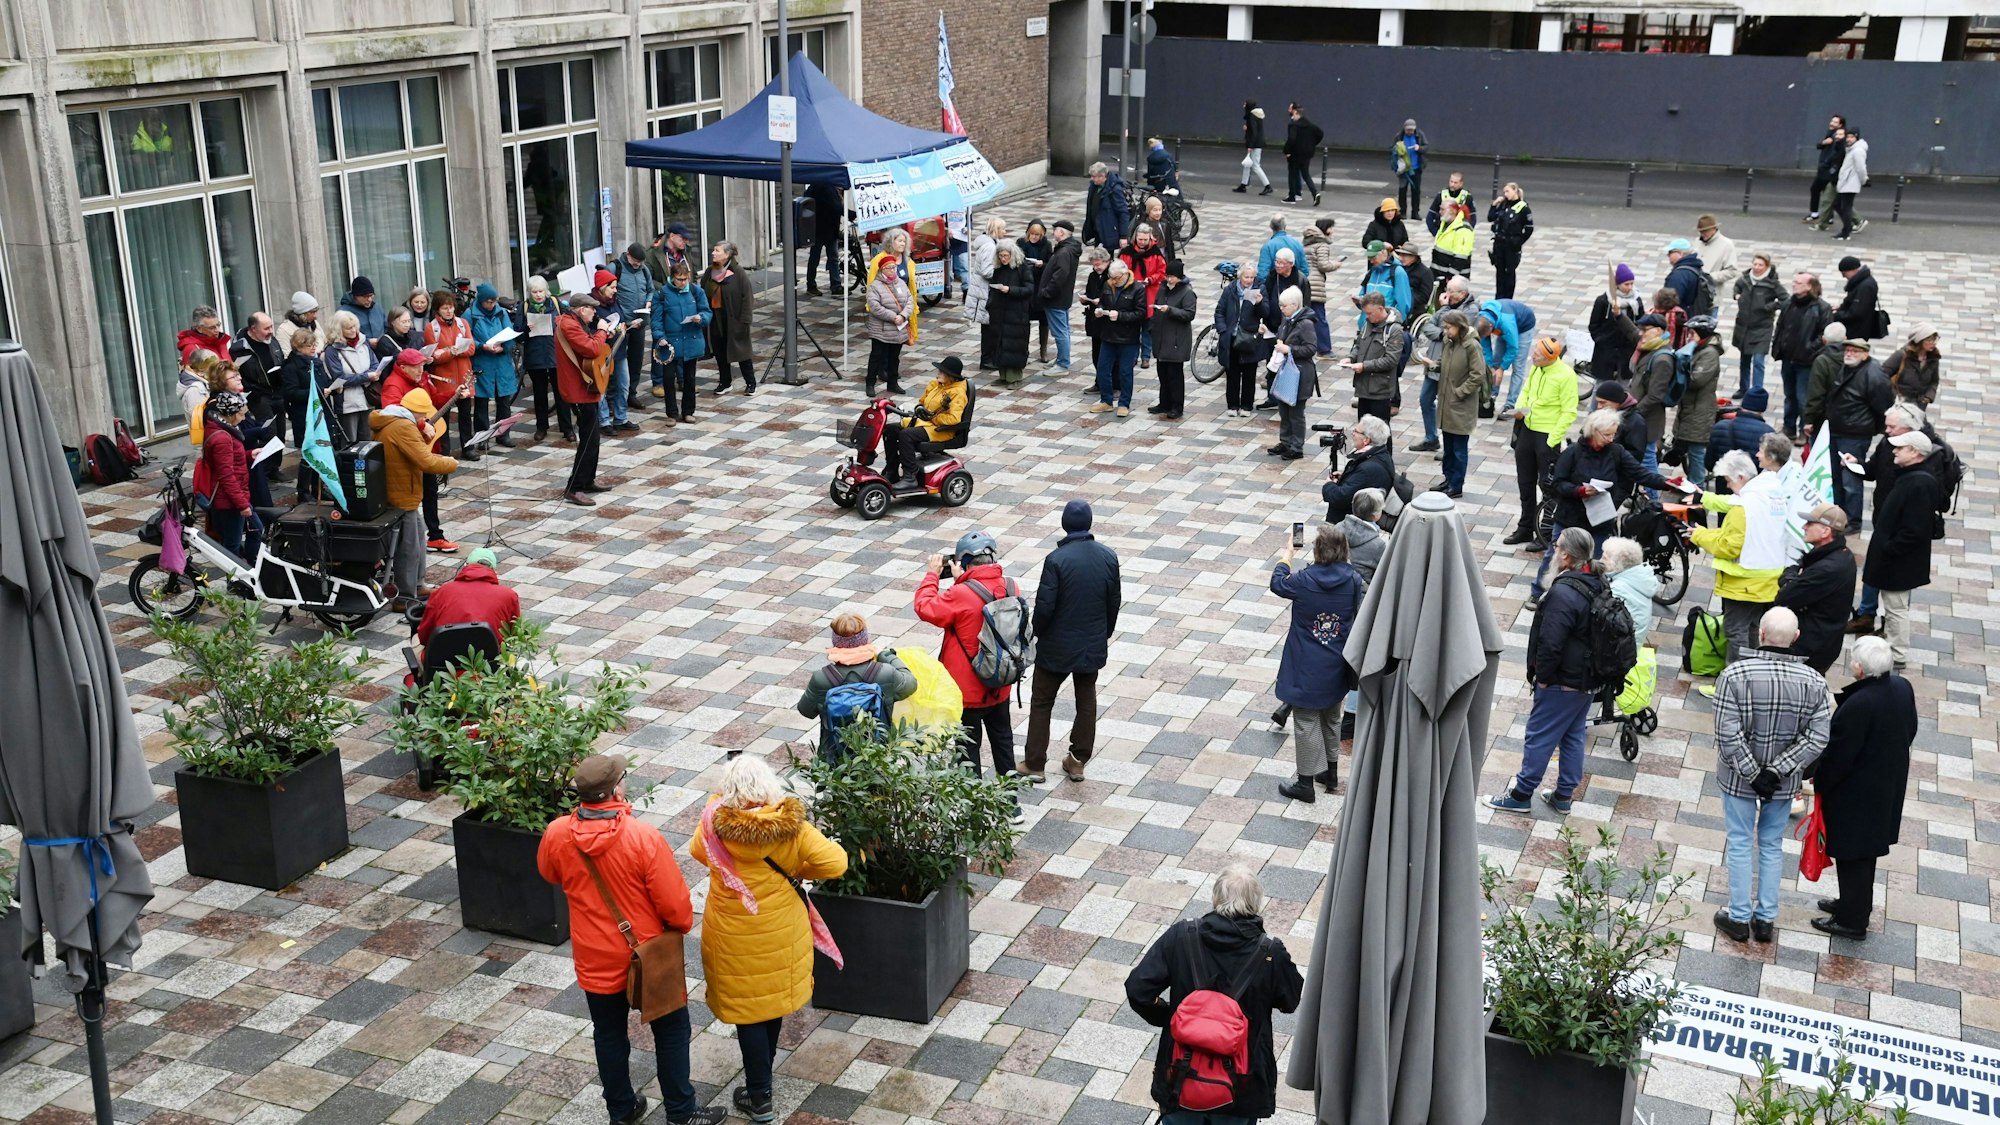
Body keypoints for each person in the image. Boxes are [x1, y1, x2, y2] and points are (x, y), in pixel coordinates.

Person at [536, 754, 722, 1125]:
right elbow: (676, 908)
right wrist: (680, 925)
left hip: (594, 958)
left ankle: (621, 1111)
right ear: (616, 789)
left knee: (608, 1033)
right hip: (648, 955)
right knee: (671, 1031)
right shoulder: (642, 838)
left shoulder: (557, 833)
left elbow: (548, 873)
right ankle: (681, 1113)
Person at [688, 754, 845, 1125]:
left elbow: (698, 852)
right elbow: (836, 863)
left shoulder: (712, 822)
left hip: (731, 934)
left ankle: (760, 1095)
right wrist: (795, 870)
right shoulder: (792, 827)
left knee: (749, 1011)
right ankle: (761, 1089)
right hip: (780, 932)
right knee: (769, 1004)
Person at [1127, 865, 1303, 1124]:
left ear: (1215, 899)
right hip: (1241, 1085)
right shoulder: (1270, 953)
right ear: (1256, 905)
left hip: (1181, 1076)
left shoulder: (1181, 936)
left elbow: (1138, 989)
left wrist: (1171, 1017)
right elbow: (1290, 1002)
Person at [1710, 607, 1830, 944]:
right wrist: (1776, 772)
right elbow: (1817, 737)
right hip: (1784, 783)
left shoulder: (1734, 676)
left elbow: (1727, 734)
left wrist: (1755, 772)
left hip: (1737, 779)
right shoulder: (1814, 682)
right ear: (1796, 638)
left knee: (1739, 843)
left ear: (1760, 634)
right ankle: (1765, 919)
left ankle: (1737, 917)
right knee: (1772, 845)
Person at [1492, 527, 1605, 814]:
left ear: (1566, 556)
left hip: (1562, 681)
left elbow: (1551, 642)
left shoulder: (1563, 592)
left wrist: (1542, 678)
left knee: (1540, 735)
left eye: (1557, 547)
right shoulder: (1597, 581)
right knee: (1573, 734)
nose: (1553, 551)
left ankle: (1521, 794)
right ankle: (1563, 796)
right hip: (1587, 679)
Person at [1809, 635, 1915, 940]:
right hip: (1886, 786)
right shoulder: (1901, 687)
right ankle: (1852, 904)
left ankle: (1852, 920)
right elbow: (1911, 729)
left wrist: (1820, 784)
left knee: (1853, 854)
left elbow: (1838, 757)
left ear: (1859, 668)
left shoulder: (1859, 704)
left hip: (1857, 794)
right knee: (1863, 854)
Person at [1530, 410, 1686, 608]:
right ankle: (1538, 592)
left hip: (1599, 520)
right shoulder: (1573, 453)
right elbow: (1557, 484)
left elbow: (1640, 473)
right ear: (1593, 431)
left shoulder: (1616, 452)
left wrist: (1667, 483)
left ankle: (1584, 599)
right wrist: (1579, 490)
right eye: (1607, 435)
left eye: (1614, 434)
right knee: (1555, 557)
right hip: (1571, 518)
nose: (1611, 438)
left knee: (1595, 562)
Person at [916, 531, 1022, 812]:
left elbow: (925, 607)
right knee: (1003, 743)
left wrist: (932, 576)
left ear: (962, 561)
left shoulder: (960, 593)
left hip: (967, 692)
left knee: (968, 749)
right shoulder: (1011, 586)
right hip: (1000, 684)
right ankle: (1011, 806)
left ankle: (971, 808)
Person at [1025, 501, 1120, 784]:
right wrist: (1104, 634)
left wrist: (1035, 632)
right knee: (1086, 700)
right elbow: (1113, 602)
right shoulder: (1108, 556)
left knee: (1042, 701)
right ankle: (1077, 761)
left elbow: (1045, 607)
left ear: (1065, 524)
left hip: (1055, 646)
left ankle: (1035, 763)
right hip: (1091, 643)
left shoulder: (1057, 560)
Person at [1270, 524, 1363, 802]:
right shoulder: (1354, 580)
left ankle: (1305, 784)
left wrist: (1288, 553)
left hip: (1306, 664)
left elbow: (1277, 583)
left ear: (1318, 550)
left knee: (1306, 721)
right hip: (1337, 663)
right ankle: (1330, 772)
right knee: (1332, 718)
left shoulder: (1304, 580)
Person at [1688, 450, 1788, 666]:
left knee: (1736, 631)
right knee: (1752, 628)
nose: (1727, 485)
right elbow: (1740, 530)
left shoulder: (1743, 507)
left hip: (1744, 581)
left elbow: (1729, 546)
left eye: (1728, 481)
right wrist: (1704, 500)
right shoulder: (1768, 491)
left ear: (1741, 477)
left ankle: (1734, 682)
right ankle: (1750, 675)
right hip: (1766, 578)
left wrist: (1699, 535)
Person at [369, 388, 459, 607]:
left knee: (418, 538)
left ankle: (417, 586)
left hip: (402, 492)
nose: (426, 419)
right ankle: (404, 597)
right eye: (424, 415)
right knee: (408, 549)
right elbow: (425, 461)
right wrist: (451, 463)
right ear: (417, 413)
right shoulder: (403, 427)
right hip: (401, 495)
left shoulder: (394, 418)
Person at [1864, 430, 1940, 670]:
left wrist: (1888, 549)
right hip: (1895, 558)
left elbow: (1914, 530)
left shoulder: (1919, 482)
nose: (1894, 450)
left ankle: (1897, 653)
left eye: (1900, 447)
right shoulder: (1911, 477)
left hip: (1898, 561)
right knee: (1894, 605)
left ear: (1915, 453)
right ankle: (1894, 646)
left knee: (1896, 608)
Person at [380, 346, 468, 549]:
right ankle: (404, 540)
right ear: (403, 367)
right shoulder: (393, 385)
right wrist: (421, 424)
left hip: (425, 444)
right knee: (411, 493)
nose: (421, 370)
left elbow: (433, 402)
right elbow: (393, 413)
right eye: (416, 367)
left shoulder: (422, 379)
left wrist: (452, 395)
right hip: (406, 447)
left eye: (422, 365)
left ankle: (435, 535)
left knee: (430, 489)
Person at [1806, 331, 1890, 527]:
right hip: (1837, 430)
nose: (1849, 353)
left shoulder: (1873, 374)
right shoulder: (1848, 367)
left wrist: (1869, 428)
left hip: (1854, 435)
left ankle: (1852, 520)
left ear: (1865, 354)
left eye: (1855, 351)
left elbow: (1883, 408)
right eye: (1848, 350)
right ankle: (1838, 515)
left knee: (1850, 479)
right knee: (1835, 477)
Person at [796, 611, 918, 734]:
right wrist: (885, 655)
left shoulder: (822, 678)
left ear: (835, 641)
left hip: (836, 749)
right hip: (879, 749)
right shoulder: (885, 673)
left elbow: (806, 711)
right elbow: (911, 684)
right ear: (865, 639)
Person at [1506, 336, 1575, 547]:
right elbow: (1526, 391)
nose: (1533, 357)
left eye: (1537, 355)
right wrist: (1519, 409)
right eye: (1534, 352)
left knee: (1548, 486)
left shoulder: (1566, 376)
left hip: (1547, 436)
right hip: (1527, 430)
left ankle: (1544, 532)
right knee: (1524, 483)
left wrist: (1552, 440)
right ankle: (1525, 527)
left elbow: (1569, 412)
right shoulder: (1537, 368)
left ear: (1550, 358)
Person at [1773, 505, 1855, 675]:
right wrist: (1795, 575)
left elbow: (1785, 596)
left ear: (1826, 531)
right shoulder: (1839, 554)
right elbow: (1796, 571)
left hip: (1811, 648)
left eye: (1810, 524)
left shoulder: (1826, 568)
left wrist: (1790, 577)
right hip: (1823, 642)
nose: (1804, 527)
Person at [555, 293, 609, 507]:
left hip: (585, 387)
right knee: (588, 440)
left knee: (593, 438)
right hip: (579, 389)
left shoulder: (574, 322)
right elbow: (592, 348)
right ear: (580, 309)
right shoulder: (570, 325)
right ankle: (574, 487)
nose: (595, 312)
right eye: (591, 308)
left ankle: (587, 480)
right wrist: (603, 331)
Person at [417, 546, 522, 649]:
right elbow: (515, 636)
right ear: (494, 572)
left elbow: (424, 636)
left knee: (415, 641)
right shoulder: (509, 596)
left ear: (465, 566)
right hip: (489, 664)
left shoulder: (443, 591)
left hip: (442, 663)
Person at [886, 357, 970, 485]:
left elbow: (954, 419)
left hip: (941, 430)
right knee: (889, 429)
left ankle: (910, 476)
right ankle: (892, 470)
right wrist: (920, 409)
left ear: (951, 376)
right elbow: (922, 402)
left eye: (941, 372)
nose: (938, 374)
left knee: (906, 435)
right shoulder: (936, 385)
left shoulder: (957, 393)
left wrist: (933, 418)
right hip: (925, 423)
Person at [1430, 308, 1485, 499]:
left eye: (1448, 328)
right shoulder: (1449, 342)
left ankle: (1457, 484)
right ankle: (1448, 479)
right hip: (1447, 404)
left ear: (1459, 327)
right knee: (1449, 447)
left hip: (1460, 406)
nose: (1445, 331)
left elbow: (1477, 375)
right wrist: (1434, 365)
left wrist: (1460, 392)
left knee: (1459, 449)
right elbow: (1444, 362)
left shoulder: (1472, 346)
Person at [1770, 271, 1831, 437]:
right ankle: (1788, 427)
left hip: (1807, 361)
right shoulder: (1790, 303)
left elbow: (1824, 335)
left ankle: (1804, 430)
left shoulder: (1822, 308)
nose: (1793, 284)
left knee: (1803, 398)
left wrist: (1810, 348)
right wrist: (1778, 344)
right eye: (1794, 281)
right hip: (1788, 358)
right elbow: (1781, 326)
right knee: (1789, 395)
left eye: (1798, 282)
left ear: (1809, 286)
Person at [651, 261, 711, 424]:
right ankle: (671, 413)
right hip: (670, 343)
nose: (683, 282)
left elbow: (707, 311)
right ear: (672, 278)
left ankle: (688, 411)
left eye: (685, 279)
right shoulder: (661, 294)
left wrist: (702, 318)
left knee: (689, 378)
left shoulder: (696, 291)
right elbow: (656, 320)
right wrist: (660, 337)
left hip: (691, 341)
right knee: (669, 379)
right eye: (679, 279)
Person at [198, 391, 254, 561]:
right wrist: (242, 505)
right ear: (231, 414)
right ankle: (237, 582)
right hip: (228, 501)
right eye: (242, 414)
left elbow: (227, 460)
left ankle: (249, 573)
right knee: (232, 546)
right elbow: (226, 475)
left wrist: (249, 455)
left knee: (252, 531)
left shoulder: (220, 427)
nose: (244, 418)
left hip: (231, 498)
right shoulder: (223, 437)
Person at [1089, 261, 1145, 418]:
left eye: (1116, 278)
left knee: (1125, 371)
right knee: (1103, 368)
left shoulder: (1138, 289)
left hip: (1128, 338)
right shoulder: (1108, 285)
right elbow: (1102, 301)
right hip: (1108, 335)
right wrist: (1100, 309)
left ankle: (1124, 403)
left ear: (1125, 274)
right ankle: (1106, 401)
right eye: (1111, 277)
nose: (1113, 281)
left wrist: (1120, 316)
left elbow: (1140, 314)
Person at [466, 283, 519, 448]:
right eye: (488, 302)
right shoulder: (470, 315)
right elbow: (466, 339)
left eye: (493, 301)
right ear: (481, 301)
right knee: (481, 403)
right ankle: (482, 437)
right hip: (483, 363)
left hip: (502, 363)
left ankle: (503, 434)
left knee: (504, 401)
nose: (491, 305)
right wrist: (482, 346)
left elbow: (510, 335)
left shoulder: (501, 313)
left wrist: (505, 347)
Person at [321, 311, 386, 443]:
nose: (353, 330)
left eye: (354, 326)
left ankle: (367, 465)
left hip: (367, 400)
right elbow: (340, 378)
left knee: (369, 442)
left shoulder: (363, 342)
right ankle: (353, 465)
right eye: (348, 328)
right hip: (347, 404)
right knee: (351, 443)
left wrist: (369, 375)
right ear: (339, 330)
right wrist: (366, 376)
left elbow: (375, 364)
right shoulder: (332, 350)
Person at [1674, 315, 1724, 488]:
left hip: (1699, 412)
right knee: (1689, 449)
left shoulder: (1709, 354)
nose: (1689, 337)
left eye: (1692, 333)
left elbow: (1696, 380)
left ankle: (1697, 492)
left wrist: (1680, 368)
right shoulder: (1697, 348)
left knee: (1696, 452)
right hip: (1690, 409)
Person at [1268, 288, 1317, 460]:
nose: (1281, 308)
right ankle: (1286, 441)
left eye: (1284, 305)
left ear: (1295, 305)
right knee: (1283, 409)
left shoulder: (1306, 324)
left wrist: (1289, 349)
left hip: (1300, 373)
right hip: (1286, 370)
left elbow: (1311, 348)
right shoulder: (1288, 320)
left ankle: (1296, 446)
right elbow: (1282, 336)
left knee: (1296, 413)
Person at [1214, 262, 1265, 418]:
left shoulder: (1260, 290)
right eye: (1246, 277)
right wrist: (1223, 330)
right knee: (1232, 374)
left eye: (1251, 277)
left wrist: (1259, 303)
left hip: (1249, 337)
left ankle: (1246, 405)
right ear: (1240, 276)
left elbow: (1265, 313)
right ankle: (1232, 405)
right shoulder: (1230, 290)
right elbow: (1220, 311)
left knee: (1249, 374)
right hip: (1231, 337)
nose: (1249, 280)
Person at [1628, 313, 1676, 480]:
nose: (1641, 333)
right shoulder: (1650, 348)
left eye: (1645, 330)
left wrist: (1634, 412)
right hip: (1640, 417)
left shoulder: (1662, 359)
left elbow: (1655, 396)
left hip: (1649, 420)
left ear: (1657, 331)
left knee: (1648, 462)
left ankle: (1653, 500)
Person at [704, 241, 755, 394]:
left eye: (717, 250)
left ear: (727, 255)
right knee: (719, 351)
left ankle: (750, 383)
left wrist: (745, 320)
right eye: (714, 250)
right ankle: (725, 382)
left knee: (742, 352)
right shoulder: (709, 272)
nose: (713, 253)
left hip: (735, 319)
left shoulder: (738, 272)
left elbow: (747, 297)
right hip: (716, 318)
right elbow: (703, 293)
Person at [1321, 415, 1394, 523]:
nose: (1352, 434)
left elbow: (1340, 498)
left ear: (1366, 440)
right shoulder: (1382, 455)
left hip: (1349, 527)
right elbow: (1361, 483)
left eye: (1356, 431)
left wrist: (1329, 485)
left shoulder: (1367, 469)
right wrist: (1347, 478)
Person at [610, 243, 656, 413]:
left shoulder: (644, 270)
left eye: (640, 262)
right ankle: (615, 396)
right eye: (635, 262)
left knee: (636, 359)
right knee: (618, 359)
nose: (637, 265)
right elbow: (608, 293)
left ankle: (631, 393)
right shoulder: (616, 267)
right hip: (622, 324)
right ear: (627, 255)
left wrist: (649, 300)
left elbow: (650, 289)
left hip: (640, 321)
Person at [1729, 254, 1783, 400]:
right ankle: (1743, 388)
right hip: (1744, 326)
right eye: (1755, 264)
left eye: (1760, 265)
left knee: (1758, 361)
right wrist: (1736, 295)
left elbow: (1785, 300)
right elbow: (1737, 286)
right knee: (1744, 360)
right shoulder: (1745, 279)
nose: (1757, 268)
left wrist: (1769, 307)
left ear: (1766, 266)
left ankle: (1757, 392)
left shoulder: (1772, 283)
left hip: (1762, 327)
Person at [1149, 260, 1196, 419]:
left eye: (1172, 277)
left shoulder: (1187, 292)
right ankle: (1164, 403)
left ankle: (1177, 406)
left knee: (1174, 375)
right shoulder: (1162, 288)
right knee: (1162, 372)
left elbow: (1189, 314)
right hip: (1162, 337)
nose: (1169, 279)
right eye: (1168, 276)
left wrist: (1170, 310)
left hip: (1176, 340)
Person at [862, 252, 913, 399]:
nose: (892, 270)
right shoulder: (875, 286)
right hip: (882, 329)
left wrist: (903, 315)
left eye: (894, 267)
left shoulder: (901, 283)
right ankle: (870, 383)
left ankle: (892, 382)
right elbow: (874, 306)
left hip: (899, 328)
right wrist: (893, 317)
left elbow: (910, 301)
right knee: (876, 356)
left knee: (894, 357)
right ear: (882, 270)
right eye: (889, 268)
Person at [1476, 297, 1535, 415]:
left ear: (1491, 327)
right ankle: (1491, 396)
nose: (1489, 337)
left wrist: (1502, 369)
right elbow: (1485, 347)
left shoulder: (1507, 323)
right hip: (1503, 326)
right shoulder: (1481, 319)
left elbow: (1514, 348)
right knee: (1495, 363)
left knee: (1518, 367)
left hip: (1524, 326)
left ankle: (1511, 405)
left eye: (1489, 334)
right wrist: (1491, 367)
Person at [987, 243, 1034, 386]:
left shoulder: (1022, 268)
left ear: (1012, 255)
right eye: (1000, 256)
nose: (1003, 259)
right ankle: (1003, 376)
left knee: (1015, 345)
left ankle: (1015, 378)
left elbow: (1029, 289)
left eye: (1005, 256)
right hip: (1000, 312)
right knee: (1000, 344)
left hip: (1017, 314)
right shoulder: (999, 269)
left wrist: (1010, 290)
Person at [1038, 220, 1082, 372]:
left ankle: (1063, 363)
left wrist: (1047, 292)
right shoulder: (1068, 249)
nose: (1053, 233)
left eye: (1055, 230)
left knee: (1059, 332)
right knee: (1063, 329)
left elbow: (1060, 276)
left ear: (1061, 233)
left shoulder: (1063, 252)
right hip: (1062, 298)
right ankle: (1062, 358)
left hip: (1055, 298)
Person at [1600, 536, 1657, 639]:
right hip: (1632, 642)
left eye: (1604, 558)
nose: (1600, 561)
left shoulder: (1618, 589)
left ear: (1617, 564)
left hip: (1622, 648)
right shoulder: (1638, 579)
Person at [967, 216, 1004, 369]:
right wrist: (1002, 270)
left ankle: (988, 358)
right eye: (1002, 228)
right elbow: (987, 271)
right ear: (995, 230)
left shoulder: (990, 244)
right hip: (986, 292)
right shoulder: (990, 247)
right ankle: (987, 359)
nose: (1005, 231)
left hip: (983, 291)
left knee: (989, 327)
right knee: (989, 328)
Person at [1486, 183, 1534, 300]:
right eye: (1504, 192)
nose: (1505, 194)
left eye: (1507, 191)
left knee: (1509, 275)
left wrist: (1518, 242)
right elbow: (1490, 217)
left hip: (1511, 246)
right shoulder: (1503, 204)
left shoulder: (1523, 208)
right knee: (1500, 274)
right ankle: (1498, 299)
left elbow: (1529, 228)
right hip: (1499, 245)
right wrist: (1494, 204)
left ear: (1515, 191)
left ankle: (1507, 299)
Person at [1301, 218, 1342, 352]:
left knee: (1306, 317)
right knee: (1320, 318)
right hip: (1316, 285)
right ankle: (1324, 349)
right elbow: (1323, 265)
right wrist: (1336, 264)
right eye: (1332, 227)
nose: (1333, 231)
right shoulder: (1322, 245)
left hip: (1305, 283)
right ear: (1327, 229)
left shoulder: (1307, 242)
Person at [1351, 240, 1411, 331]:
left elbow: (1403, 304)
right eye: (1369, 258)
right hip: (1366, 327)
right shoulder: (1371, 272)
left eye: (1373, 257)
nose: (1371, 261)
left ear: (1383, 253)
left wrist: (1394, 327)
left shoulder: (1398, 273)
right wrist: (1359, 301)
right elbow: (1363, 297)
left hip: (1385, 328)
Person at [1707, 387, 1776, 462]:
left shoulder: (1720, 427)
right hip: (1754, 473)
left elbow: (1709, 463)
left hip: (1722, 472)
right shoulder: (1769, 433)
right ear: (1763, 408)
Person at [1882, 323, 1941, 409]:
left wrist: (1928, 396)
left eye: (1935, 339)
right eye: (1929, 340)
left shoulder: (1933, 358)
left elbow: (1934, 380)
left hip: (1919, 406)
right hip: (1897, 405)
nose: (1933, 343)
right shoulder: (1901, 355)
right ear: (1920, 340)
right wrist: (1894, 396)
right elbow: (1881, 377)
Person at [803, 181, 844, 297]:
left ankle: (820, 285)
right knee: (828, 258)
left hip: (821, 229)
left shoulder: (817, 185)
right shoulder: (826, 187)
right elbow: (835, 207)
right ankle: (832, 285)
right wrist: (851, 214)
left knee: (821, 258)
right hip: (823, 229)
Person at [1806, 116, 1847, 227]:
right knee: (1822, 193)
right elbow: (1820, 146)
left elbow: (1835, 154)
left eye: (1835, 122)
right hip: (1824, 168)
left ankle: (1825, 218)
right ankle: (1821, 216)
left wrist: (1827, 165)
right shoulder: (1830, 134)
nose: (1832, 123)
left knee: (1827, 196)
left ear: (1841, 125)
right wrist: (1824, 143)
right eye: (1832, 121)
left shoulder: (1838, 138)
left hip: (1828, 170)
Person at [1341, 489, 1389, 583]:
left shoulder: (1336, 528)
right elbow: (1384, 574)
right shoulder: (1378, 545)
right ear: (1375, 516)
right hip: (1362, 592)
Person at [1694, 215, 1739, 313]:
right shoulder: (1697, 242)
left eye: (1705, 231)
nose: (1702, 234)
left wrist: (1709, 277)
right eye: (1701, 231)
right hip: (1693, 296)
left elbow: (1733, 271)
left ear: (1714, 229)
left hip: (1711, 298)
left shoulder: (1727, 245)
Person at [1281, 103, 1323, 205]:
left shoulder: (1293, 125)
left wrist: (1287, 151)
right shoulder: (1310, 125)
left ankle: (1292, 196)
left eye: (1293, 115)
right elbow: (1320, 133)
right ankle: (1315, 193)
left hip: (1295, 153)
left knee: (1292, 173)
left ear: (1296, 113)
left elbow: (1291, 139)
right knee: (1305, 174)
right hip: (1307, 153)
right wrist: (1312, 144)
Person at [1079, 246, 1113, 378]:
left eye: (1098, 264)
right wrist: (1085, 299)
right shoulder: (1093, 276)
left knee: (1107, 356)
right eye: (1094, 265)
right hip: (1094, 319)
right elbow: (1090, 292)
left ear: (1107, 261)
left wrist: (1101, 300)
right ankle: (1099, 381)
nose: (1096, 267)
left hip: (1107, 320)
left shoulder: (1112, 275)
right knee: (1096, 354)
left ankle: (1110, 383)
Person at [1082, 162, 1131, 249]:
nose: (1092, 179)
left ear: (1102, 176)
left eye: (1094, 176)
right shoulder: (1094, 186)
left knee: (1106, 258)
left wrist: (1123, 236)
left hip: (1108, 231)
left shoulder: (1115, 189)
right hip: (1097, 228)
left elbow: (1123, 212)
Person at [1833, 127, 1870, 240]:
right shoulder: (1851, 149)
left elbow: (1861, 168)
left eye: (1852, 137)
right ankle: (1847, 228)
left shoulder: (1858, 150)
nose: (1849, 139)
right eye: (1848, 136)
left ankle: (1846, 232)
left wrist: (1864, 180)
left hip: (1850, 183)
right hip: (1846, 182)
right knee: (1839, 205)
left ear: (1856, 137)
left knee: (1845, 207)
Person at [1831, 255, 1879, 341]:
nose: (1843, 276)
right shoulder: (1861, 282)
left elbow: (1856, 313)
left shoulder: (1865, 287)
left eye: (1844, 273)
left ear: (1853, 270)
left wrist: (1835, 316)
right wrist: (1841, 307)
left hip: (1856, 331)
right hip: (1857, 328)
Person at [1430, 200, 1477, 284]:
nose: (1440, 212)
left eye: (1442, 209)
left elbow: (1461, 257)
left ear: (1453, 211)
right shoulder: (1445, 224)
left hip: (1453, 279)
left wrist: (1450, 277)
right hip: (1439, 275)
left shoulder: (1463, 230)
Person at [1662, 239, 1709, 316]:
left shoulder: (1679, 275)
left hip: (1680, 319)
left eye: (1670, 252)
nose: (1668, 255)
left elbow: (1669, 302)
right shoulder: (1695, 267)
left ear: (1680, 253)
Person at [337, 277, 385, 352]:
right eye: (365, 296)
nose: (369, 299)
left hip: (382, 351)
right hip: (357, 352)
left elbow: (387, 328)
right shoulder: (343, 313)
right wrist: (367, 341)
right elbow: (340, 337)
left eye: (371, 295)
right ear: (355, 296)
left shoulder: (377, 308)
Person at [1236, 99, 1272, 195]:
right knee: (1247, 164)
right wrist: (1247, 128)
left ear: (1248, 105)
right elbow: (1255, 129)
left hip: (1255, 144)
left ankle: (1267, 186)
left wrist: (1250, 145)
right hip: (1257, 142)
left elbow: (1254, 131)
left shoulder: (1251, 115)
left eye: (1245, 104)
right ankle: (1243, 185)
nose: (1243, 105)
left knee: (1255, 166)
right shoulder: (1257, 114)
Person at [1389, 119, 1426, 213]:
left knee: (1416, 191)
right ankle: (1403, 211)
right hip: (1403, 169)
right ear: (1404, 129)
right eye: (1408, 130)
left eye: (1411, 130)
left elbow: (1426, 147)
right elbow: (1392, 148)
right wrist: (1397, 150)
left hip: (1416, 168)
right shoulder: (1399, 136)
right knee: (1402, 190)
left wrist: (1419, 148)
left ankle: (1415, 212)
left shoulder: (1419, 135)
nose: (1410, 132)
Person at [1255, 215, 1306, 284]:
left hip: (1276, 287)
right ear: (1285, 226)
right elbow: (1304, 269)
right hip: (1295, 286)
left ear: (1271, 226)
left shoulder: (1268, 246)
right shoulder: (1297, 244)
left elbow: (1263, 273)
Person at [1394, 243, 1435, 319]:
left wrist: (1406, 298)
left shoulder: (1425, 272)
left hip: (1414, 307)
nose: (1401, 258)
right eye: (1400, 255)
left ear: (1414, 257)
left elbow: (1424, 296)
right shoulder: (1398, 269)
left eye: (1405, 255)